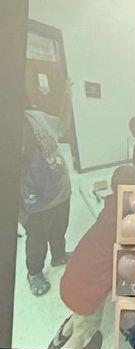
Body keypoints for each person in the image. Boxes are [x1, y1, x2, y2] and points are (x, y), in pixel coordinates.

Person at [49, 165, 135, 349]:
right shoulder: (127, 225)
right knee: (84, 331)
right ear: (129, 193)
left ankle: (59, 338)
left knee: (78, 316)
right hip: (88, 289)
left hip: (74, 276)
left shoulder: (111, 206)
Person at [20, 108, 72, 296]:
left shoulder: (34, 115)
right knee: (36, 240)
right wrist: (20, 214)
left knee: (59, 228)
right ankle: (34, 274)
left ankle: (58, 256)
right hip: (35, 202)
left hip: (60, 190)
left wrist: (66, 99)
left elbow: (62, 126)